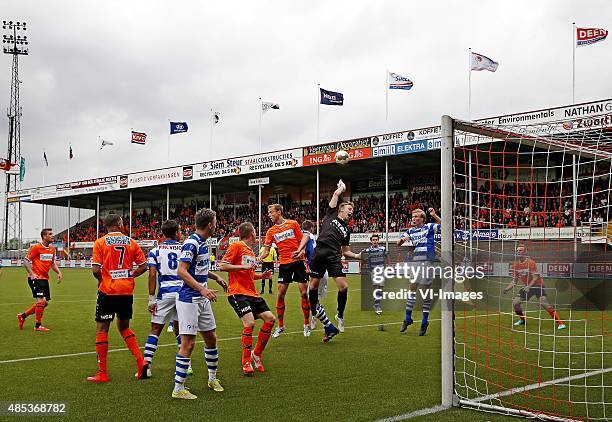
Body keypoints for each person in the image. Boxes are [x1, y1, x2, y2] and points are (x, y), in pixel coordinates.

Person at [173, 208, 228, 400]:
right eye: (215, 222)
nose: (217, 225)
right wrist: (202, 289)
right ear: (210, 225)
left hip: (202, 299)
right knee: (188, 343)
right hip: (189, 300)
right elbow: (182, 271)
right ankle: (178, 388)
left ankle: (212, 378)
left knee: (211, 338)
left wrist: (216, 277)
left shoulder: (203, 242)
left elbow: (200, 269)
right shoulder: (191, 243)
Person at [87, 213, 149, 383]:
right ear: (120, 224)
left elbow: (95, 269)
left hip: (108, 291)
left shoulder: (100, 242)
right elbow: (144, 266)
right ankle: (140, 361)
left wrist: (102, 280)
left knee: (102, 330)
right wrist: (130, 276)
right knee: (124, 327)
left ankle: (102, 373)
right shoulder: (131, 242)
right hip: (126, 292)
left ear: (106, 225)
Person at [300, 180, 361, 342]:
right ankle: (314, 314)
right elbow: (335, 195)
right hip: (319, 253)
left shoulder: (347, 230)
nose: (352, 211)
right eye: (350, 208)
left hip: (334, 257)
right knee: (312, 287)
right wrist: (341, 188)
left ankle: (339, 315)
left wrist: (357, 256)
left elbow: (346, 251)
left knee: (344, 287)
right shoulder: (331, 213)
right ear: (341, 209)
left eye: (353, 210)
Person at [218, 222, 276, 376]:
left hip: (252, 293)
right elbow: (223, 266)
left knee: (270, 319)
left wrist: (261, 276)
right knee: (249, 323)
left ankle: (256, 354)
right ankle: (246, 362)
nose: (257, 234)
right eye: (255, 231)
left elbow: (248, 275)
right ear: (251, 233)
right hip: (237, 293)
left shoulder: (250, 251)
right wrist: (242, 267)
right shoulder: (237, 246)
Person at [143, 220, 190, 377]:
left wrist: (151, 298)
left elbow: (151, 275)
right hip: (183, 293)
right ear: (177, 232)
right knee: (181, 329)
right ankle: (186, 365)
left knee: (155, 330)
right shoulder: (185, 249)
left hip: (165, 293)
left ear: (162, 234)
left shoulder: (155, 251)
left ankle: (147, 366)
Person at [258, 204, 311, 338]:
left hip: (298, 262)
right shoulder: (271, 231)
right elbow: (266, 249)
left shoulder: (293, 224)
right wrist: (259, 257)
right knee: (280, 294)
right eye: (268, 213)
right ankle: (281, 326)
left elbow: (302, 241)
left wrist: (301, 251)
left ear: (279, 212)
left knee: (304, 293)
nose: (269, 215)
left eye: (271, 212)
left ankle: (306, 324)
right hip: (284, 264)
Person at [397, 207, 441, 336]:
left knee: (425, 291)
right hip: (416, 262)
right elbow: (397, 244)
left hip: (427, 261)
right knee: (412, 288)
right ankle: (407, 318)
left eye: (416, 217)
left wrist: (434, 215)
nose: (414, 219)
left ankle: (424, 321)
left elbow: (443, 225)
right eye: (413, 217)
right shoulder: (410, 231)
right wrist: (401, 240)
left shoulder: (429, 227)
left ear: (422, 218)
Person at [503, 244, 566, 330]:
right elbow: (514, 281)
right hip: (527, 287)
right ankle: (522, 320)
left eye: (520, 250)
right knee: (515, 303)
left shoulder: (531, 262)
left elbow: (536, 277)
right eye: (517, 251)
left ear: (525, 252)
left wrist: (529, 286)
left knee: (544, 303)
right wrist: (507, 289)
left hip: (537, 285)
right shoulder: (515, 266)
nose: (518, 252)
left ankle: (560, 323)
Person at [17, 228, 63, 331]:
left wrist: (58, 272)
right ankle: (38, 325)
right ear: (44, 236)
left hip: (44, 279)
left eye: (52, 234)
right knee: (41, 302)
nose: (53, 236)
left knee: (44, 303)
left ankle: (23, 316)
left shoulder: (52, 249)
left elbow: (52, 263)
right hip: (36, 278)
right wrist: (31, 273)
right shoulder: (36, 248)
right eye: (50, 234)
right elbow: (26, 261)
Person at [299, 219, 328, 330]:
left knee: (311, 298)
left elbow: (304, 252)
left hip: (317, 271)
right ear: (312, 228)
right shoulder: (314, 238)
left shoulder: (305, 237)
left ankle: (321, 321)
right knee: (313, 298)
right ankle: (315, 319)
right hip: (321, 269)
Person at [361, 234, 387, 315]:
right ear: (371, 241)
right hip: (374, 271)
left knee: (381, 288)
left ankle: (376, 304)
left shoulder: (383, 249)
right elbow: (363, 257)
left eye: (376, 240)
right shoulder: (368, 250)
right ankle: (377, 305)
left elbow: (386, 257)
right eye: (373, 240)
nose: (375, 241)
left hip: (382, 270)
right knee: (376, 287)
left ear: (378, 241)